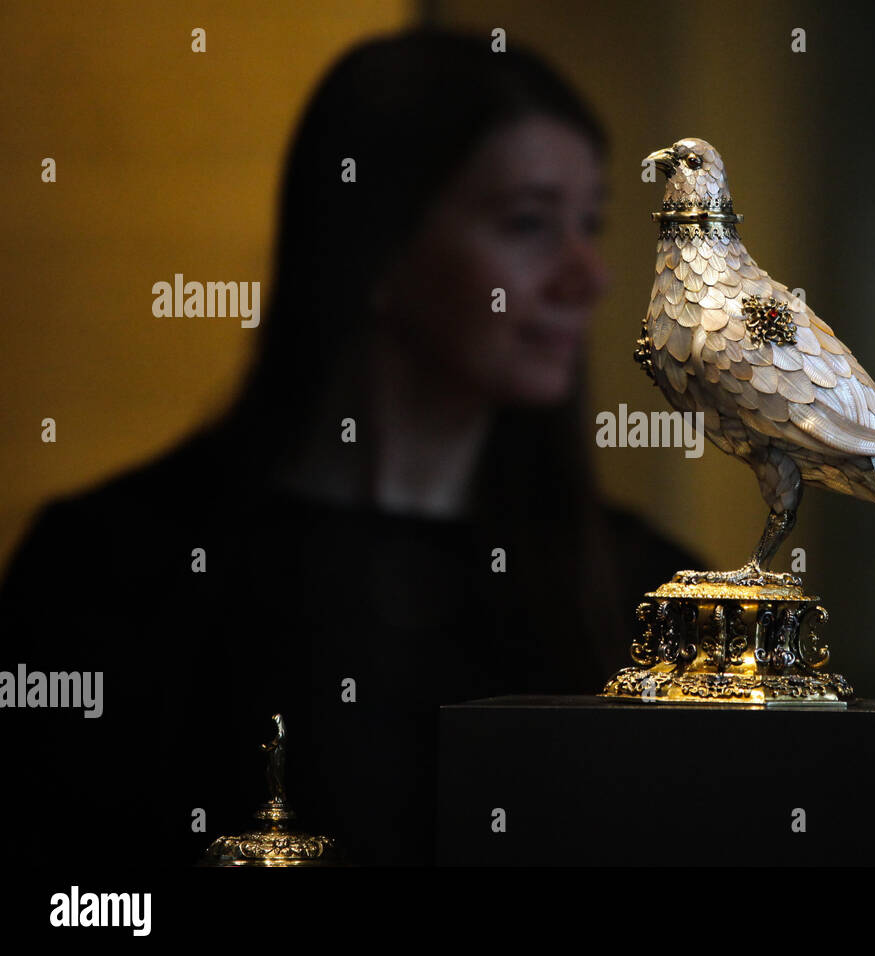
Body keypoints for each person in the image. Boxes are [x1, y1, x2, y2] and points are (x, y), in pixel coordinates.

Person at [0, 27, 699, 865]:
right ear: (377, 244)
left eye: (591, 222)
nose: (590, 274)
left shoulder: (650, 599)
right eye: (529, 223)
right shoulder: (112, 570)